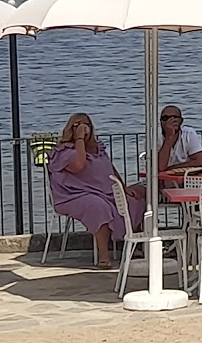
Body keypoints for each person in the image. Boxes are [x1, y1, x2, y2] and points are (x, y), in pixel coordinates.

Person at [46, 112, 141, 269]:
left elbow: (110, 169)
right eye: (78, 125)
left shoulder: (98, 150)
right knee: (98, 207)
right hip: (73, 196)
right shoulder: (64, 152)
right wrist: (79, 139)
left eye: (86, 125)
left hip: (104, 192)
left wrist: (123, 188)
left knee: (134, 202)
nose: (83, 129)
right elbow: (79, 165)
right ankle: (103, 255)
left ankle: (133, 246)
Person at [158, 106, 202, 175]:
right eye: (165, 118)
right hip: (160, 180)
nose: (170, 121)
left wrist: (171, 169)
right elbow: (160, 167)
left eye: (174, 118)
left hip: (186, 177)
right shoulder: (154, 137)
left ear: (181, 121)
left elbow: (199, 162)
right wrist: (169, 138)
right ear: (161, 121)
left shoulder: (189, 133)